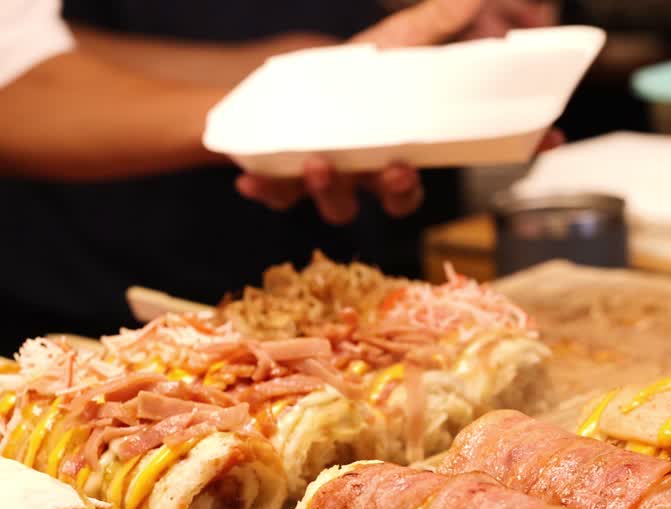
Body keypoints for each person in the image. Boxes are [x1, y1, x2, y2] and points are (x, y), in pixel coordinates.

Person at [0, 0, 556, 351]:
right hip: (97, 259)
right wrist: (286, 109)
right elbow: (18, 71)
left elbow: (38, 35)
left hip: (322, 251)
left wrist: (308, 71)